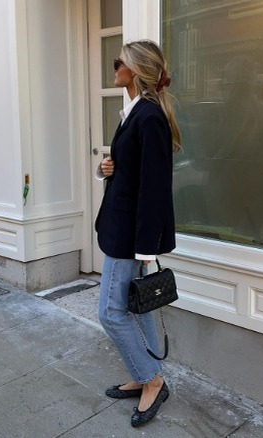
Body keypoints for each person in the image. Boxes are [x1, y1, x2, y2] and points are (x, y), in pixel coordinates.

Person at [94, 39, 182, 428]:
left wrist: (146, 246)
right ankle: (143, 372)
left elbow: (155, 189)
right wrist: (107, 169)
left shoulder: (147, 117)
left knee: (110, 313)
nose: (115, 67)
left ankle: (151, 379)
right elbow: (133, 173)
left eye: (120, 62)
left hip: (130, 237)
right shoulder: (133, 112)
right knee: (137, 307)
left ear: (137, 69)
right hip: (122, 229)